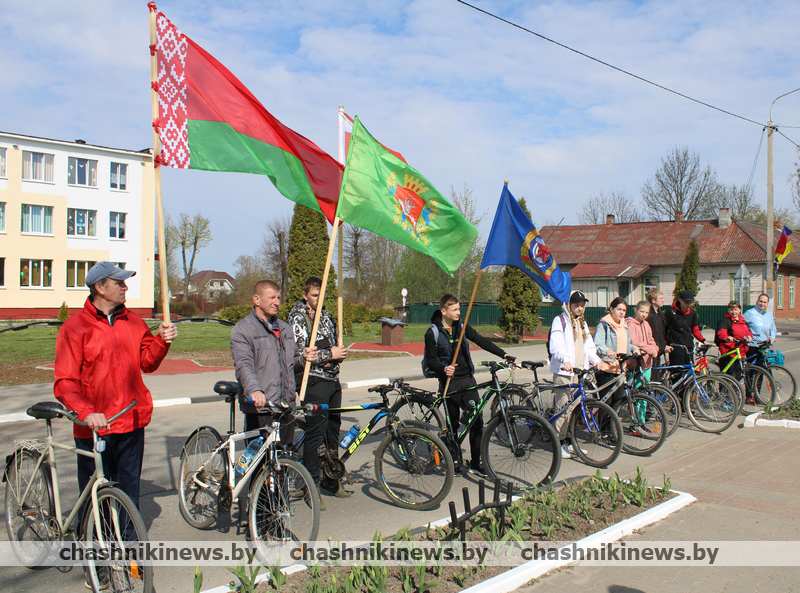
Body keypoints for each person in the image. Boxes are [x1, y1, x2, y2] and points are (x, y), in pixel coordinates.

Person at [54, 261, 177, 531]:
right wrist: (86, 412)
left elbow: (147, 362)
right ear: (100, 287)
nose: (125, 287)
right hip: (95, 426)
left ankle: (129, 548)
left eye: (124, 282)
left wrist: (161, 341)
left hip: (131, 420)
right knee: (94, 496)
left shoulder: (133, 321)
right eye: (119, 282)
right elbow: (65, 382)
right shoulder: (74, 328)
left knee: (129, 494)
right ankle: (95, 550)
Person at [423, 293, 511, 476]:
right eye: (454, 309)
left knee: (477, 421)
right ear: (443, 311)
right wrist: (443, 368)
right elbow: (431, 361)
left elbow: (480, 340)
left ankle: (476, 462)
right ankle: (454, 460)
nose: (458, 312)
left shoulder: (461, 326)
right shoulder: (432, 333)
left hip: (468, 380)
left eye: (459, 309)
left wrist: (503, 354)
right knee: (453, 425)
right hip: (449, 383)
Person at [230, 280, 317, 453]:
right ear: (256, 299)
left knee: (284, 458)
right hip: (261, 407)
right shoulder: (243, 330)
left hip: (285, 407)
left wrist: (304, 358)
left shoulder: (285, 328)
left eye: (278, 297)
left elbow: (292, 364)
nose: (276, 302)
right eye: (271, 298)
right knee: (259, 461)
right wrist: (255, 390)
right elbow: (243, 365)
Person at [288, 277, 351, 499]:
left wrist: (339, 353)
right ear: (306, 295)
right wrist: (329, 354)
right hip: (312, 381)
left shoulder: (326, 316)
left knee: (333, 431)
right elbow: (301, 353)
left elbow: (332, 344)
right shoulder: (298, 317)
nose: (319, 299)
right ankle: (310, 485)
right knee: (316, 433)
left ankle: (331, 478)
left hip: (332, 380)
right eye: (315, 295)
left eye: (322, 295)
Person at [547, 290, 602, 458]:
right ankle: (559, 443)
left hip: (579, 372)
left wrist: (596, 360)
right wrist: (565, 360)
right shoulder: (560, 320)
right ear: (569, 305)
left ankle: (569, 441)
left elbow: (589, 346)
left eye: (582, 305)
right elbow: (556, 344)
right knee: (562, 409)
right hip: (564, 371)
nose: (580, 308)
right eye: (577, 305)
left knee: (573, 409)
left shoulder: (582, 324)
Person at [593, 297, 640, 405]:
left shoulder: (624, 326)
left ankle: (614, 423)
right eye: (619, 309)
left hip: (620, 369)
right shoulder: (604, 325)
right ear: (612, 309)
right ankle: (602, 422)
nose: (622, 313)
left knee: (617, 402)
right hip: (606, 368)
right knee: (606, 403)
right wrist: (608, 350)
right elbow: (597, 344)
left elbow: (625, 344)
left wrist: (634, 349)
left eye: (624, 310)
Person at [664, 290, 708, 366]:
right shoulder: (670, 313)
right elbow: (663, 329)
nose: (688, 305)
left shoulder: (692, 313)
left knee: (689, 370)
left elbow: (695, 329)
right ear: (680, 300)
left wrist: (703, 340)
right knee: (677, 371)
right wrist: (664, 344)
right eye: (686, 302)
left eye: (690, 303)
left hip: (688, 345)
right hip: (675, 346)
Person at [715, 300, 753, 387]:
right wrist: (727, 338)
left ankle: (735, 396)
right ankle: (724, 397)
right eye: (731, 309)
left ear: (739, 310)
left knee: (738, 376)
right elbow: (721, 332)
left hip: (740, 351)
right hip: (729, 351)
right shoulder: (725, 321)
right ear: (728, 310)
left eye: (735, 309)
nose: (733, 312)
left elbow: (748, 331)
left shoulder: (742, 320)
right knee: (728, 377)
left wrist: (750, 337)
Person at [628, 301, 659, 383]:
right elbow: (633, 341)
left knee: (646, 385)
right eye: (642, 311)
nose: (644, 314)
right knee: (636, 387)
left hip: (647, 362)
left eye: (646, 312)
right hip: (635, 362)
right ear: (636, 310)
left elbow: (650, 339)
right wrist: (649, 349)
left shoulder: (646, 324)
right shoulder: (631, 324)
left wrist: (655, 349)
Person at [645, 289, 667, 381]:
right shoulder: (649, 316)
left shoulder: (660, 314)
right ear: (654, 300)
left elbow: (662, 332)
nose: (663, 300)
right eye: (661, 298)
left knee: (657, 376)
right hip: (652, 351)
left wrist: (664, 345)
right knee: (653, 377)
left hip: (659, 350)